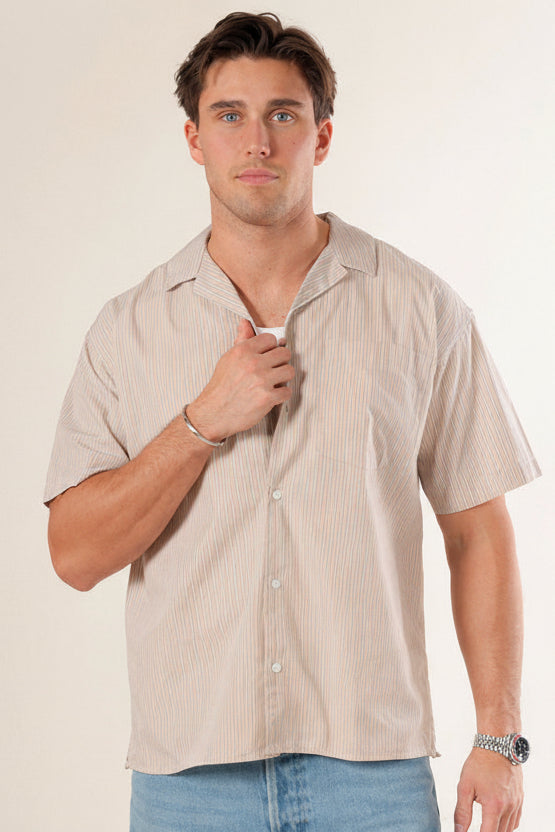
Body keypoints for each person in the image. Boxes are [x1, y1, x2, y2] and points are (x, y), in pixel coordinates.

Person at [44, 11, 541, 832]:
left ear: (322, 136)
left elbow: (476, 532)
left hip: (371, 777)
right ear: (193, 139)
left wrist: (499, 739)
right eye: (228, 115)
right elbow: (74, 555)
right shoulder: (128, 329)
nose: (257, 141)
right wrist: (201, 423)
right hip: (188, 783)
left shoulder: (419, 309)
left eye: (283, 114)